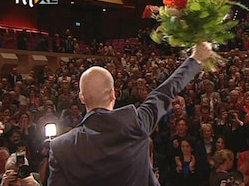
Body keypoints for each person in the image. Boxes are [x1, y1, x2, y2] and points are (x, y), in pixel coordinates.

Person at [47, 42, 214, 186]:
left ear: (81, 98)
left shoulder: (60, 147)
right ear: (113, 94)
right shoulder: (135, 122)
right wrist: (195, 59)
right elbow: (164, 93)